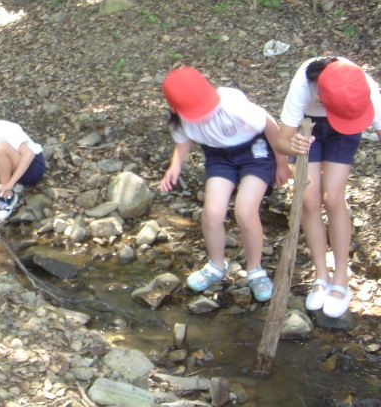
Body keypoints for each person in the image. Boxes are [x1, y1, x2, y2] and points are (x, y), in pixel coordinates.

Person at [159, 67, 290, 302]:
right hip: (219, 156)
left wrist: (282, 162)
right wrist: (175, 165)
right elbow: (182, 141)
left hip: (255, 151)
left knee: (245, 211)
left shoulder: (231, 102)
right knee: (212, 213)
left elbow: (269, 124)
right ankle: (216, 265)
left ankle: (255, 270)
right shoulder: (179, 117)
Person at [276, 57, 381, 318]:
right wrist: (294, 148)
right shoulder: (303, 84)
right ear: (320, 97)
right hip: (309, 127)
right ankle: (321, 275)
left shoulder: (362, 87)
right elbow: (281, 142)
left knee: (332, 197)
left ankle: (341, 278)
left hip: (346, 127)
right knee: (309, 199)